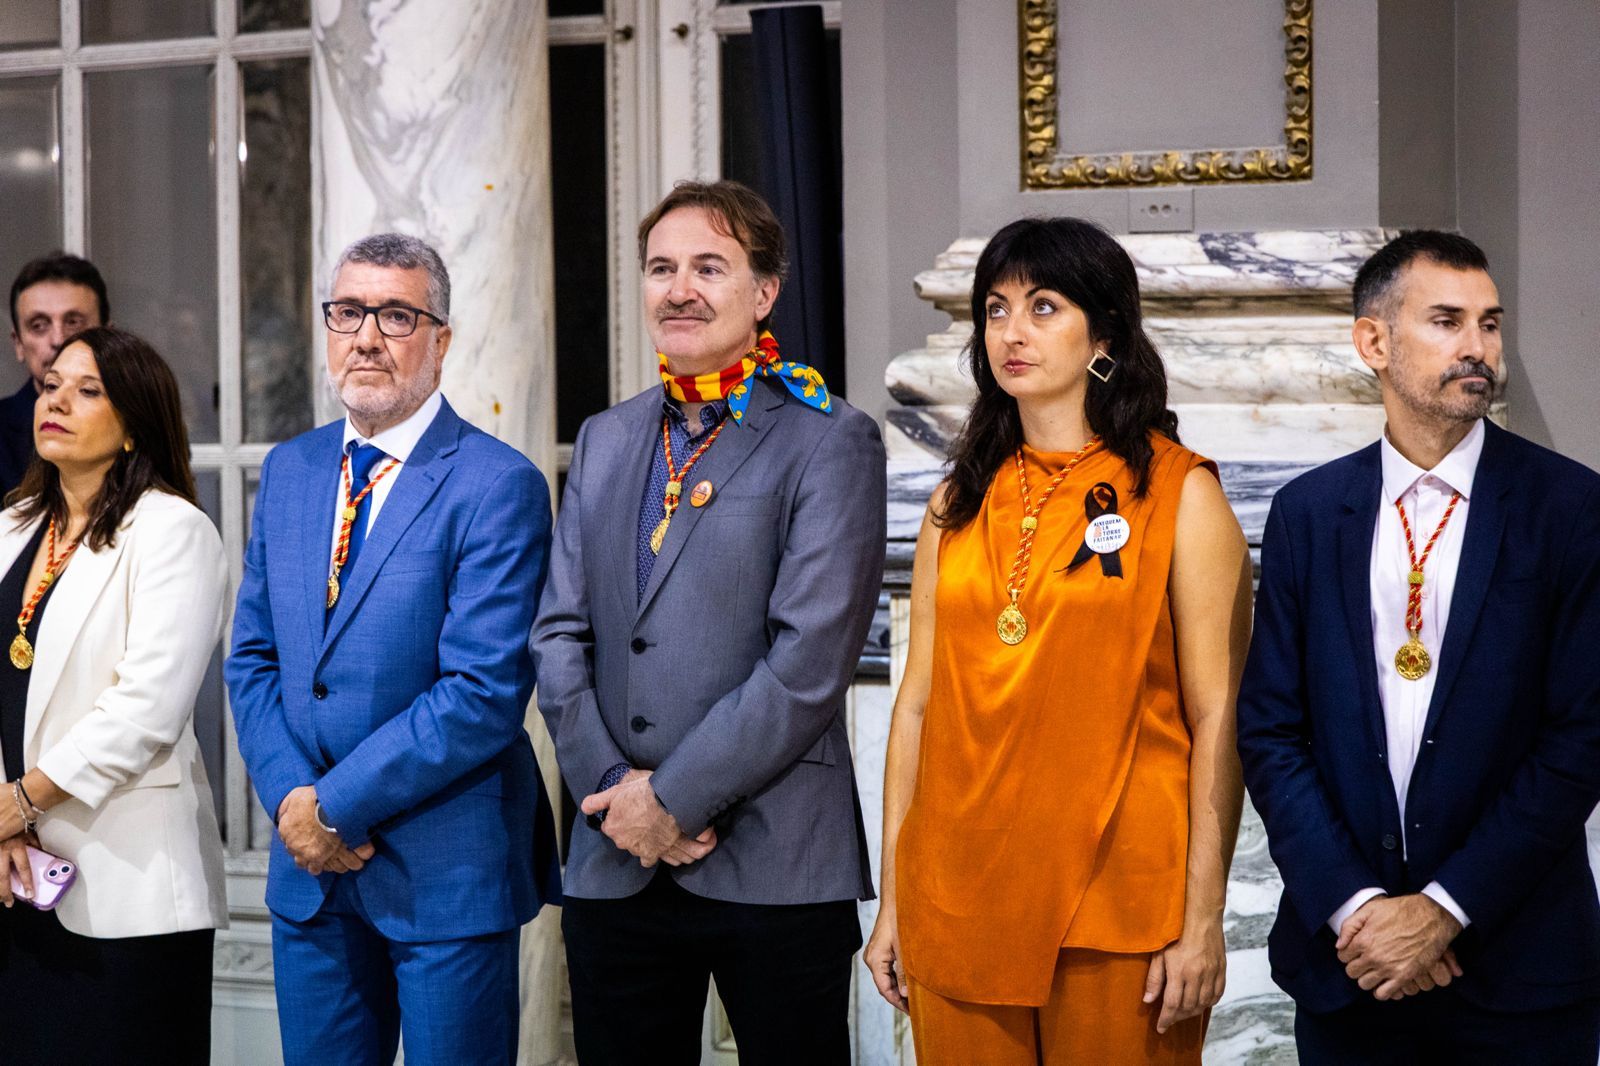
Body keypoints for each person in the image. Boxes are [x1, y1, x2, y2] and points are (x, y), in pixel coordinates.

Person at [864, 217, 1252, 1064]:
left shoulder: (1180, 494)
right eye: (996, 309)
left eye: (1044, 307)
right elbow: (918, 707)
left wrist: (1202, 915)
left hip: (1123, 904)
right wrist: (895, 898)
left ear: (1103, 334)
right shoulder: (955, 503)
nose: (1013, 331)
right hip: (957, 897)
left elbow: (1219, 716)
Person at [531, 179, 886, 1064]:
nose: (679, 289)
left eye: (708, 268)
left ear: (764, 293)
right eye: (661, 269)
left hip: (776, 861)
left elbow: (808, 663)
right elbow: (558, 635)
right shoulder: (607, 437)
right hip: (615, 857)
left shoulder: (830, 438)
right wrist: (615, 794)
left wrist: (672, 800)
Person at [1237, 230, 1600, 1064]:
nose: (1478, 347)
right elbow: (1271, 731)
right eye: (1447, 321)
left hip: (1520, 970)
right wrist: (1356, 907)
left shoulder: (1569, 507)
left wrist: (1443, 908)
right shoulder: (1307, 513)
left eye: (1489, 323)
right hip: (1351, 969)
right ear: (1374, 341)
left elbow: (1582, 736)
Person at [225, 233, 561, 1066]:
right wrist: (292, 802)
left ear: (441, 340)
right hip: (310, 879)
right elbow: (253, 661)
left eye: (396, 316)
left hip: (444, 875)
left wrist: (331, 808)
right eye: (347, 313)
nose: (366, 337)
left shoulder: (497, 484)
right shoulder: (292, 470)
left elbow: (480, 693)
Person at [0, 325, 228, 1064]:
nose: (56, 401)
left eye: (87, 390)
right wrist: (3, 824)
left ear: (134, 426)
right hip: (11, 873)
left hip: (127, 888)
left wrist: (21, 802)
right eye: (51, 386)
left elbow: (145, 710)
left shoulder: (172, 531)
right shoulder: (11, 526)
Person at [3, 253, 110, 494]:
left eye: (74, 322)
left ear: (109, 336)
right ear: (18, 344)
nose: (59, 340)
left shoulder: (141, 423)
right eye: (39, 325)